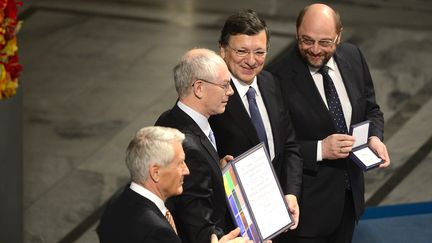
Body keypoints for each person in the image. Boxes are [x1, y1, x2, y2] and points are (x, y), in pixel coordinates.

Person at [267, 3, 391, 243]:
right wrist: (320, 150)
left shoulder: (353, 56)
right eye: (306, 40)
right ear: (296, 32)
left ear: (339, 35)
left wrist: (375, 137)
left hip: (350, 200)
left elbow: (371, 109)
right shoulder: (276, 78)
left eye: (325, 42)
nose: (315, 50)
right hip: (307, 215)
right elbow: (275, 147)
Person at [208, 9, 302, 231]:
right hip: (233, 224)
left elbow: (289, 146)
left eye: (259, 52)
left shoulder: (271, 83)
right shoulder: (210, 96)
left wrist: (291, 193)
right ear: (223, 50)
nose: (251, 61)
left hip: (277, 215)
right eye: (242, 51)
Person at [97, 126, 250, 243]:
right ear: (155, 172)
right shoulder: (157, 232)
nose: (187, 170)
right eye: (180, 163)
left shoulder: (116, 203)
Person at [155, 48, 236, 243]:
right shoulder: (189, 148)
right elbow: (198, 224)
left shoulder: (169, 117)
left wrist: (215, 169)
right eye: (225, 85)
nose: (231, 91)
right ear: (198, 88)